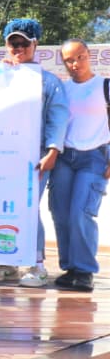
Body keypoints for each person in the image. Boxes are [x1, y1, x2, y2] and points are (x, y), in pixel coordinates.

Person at [0, 18, 69, 288]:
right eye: (13, 43)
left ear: (35, 44)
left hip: (35, 158)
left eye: (23, 43)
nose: (18, 48)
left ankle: (37, 265)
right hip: (2, 157)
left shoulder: (49, 81)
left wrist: (53, 150)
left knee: (28, 210)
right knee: (2, 209)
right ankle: (7, 264)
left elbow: (58, 117)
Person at [49, 38, 108, 292]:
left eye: (80, 56)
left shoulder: (105, 86)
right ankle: (70, 267)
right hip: (65, 157)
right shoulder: (62, 89)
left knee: (81, 213)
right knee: (60, 212)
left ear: (89, 55)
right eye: (69, 60)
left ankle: (84, 272)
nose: (76, 63)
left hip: (94, 157)